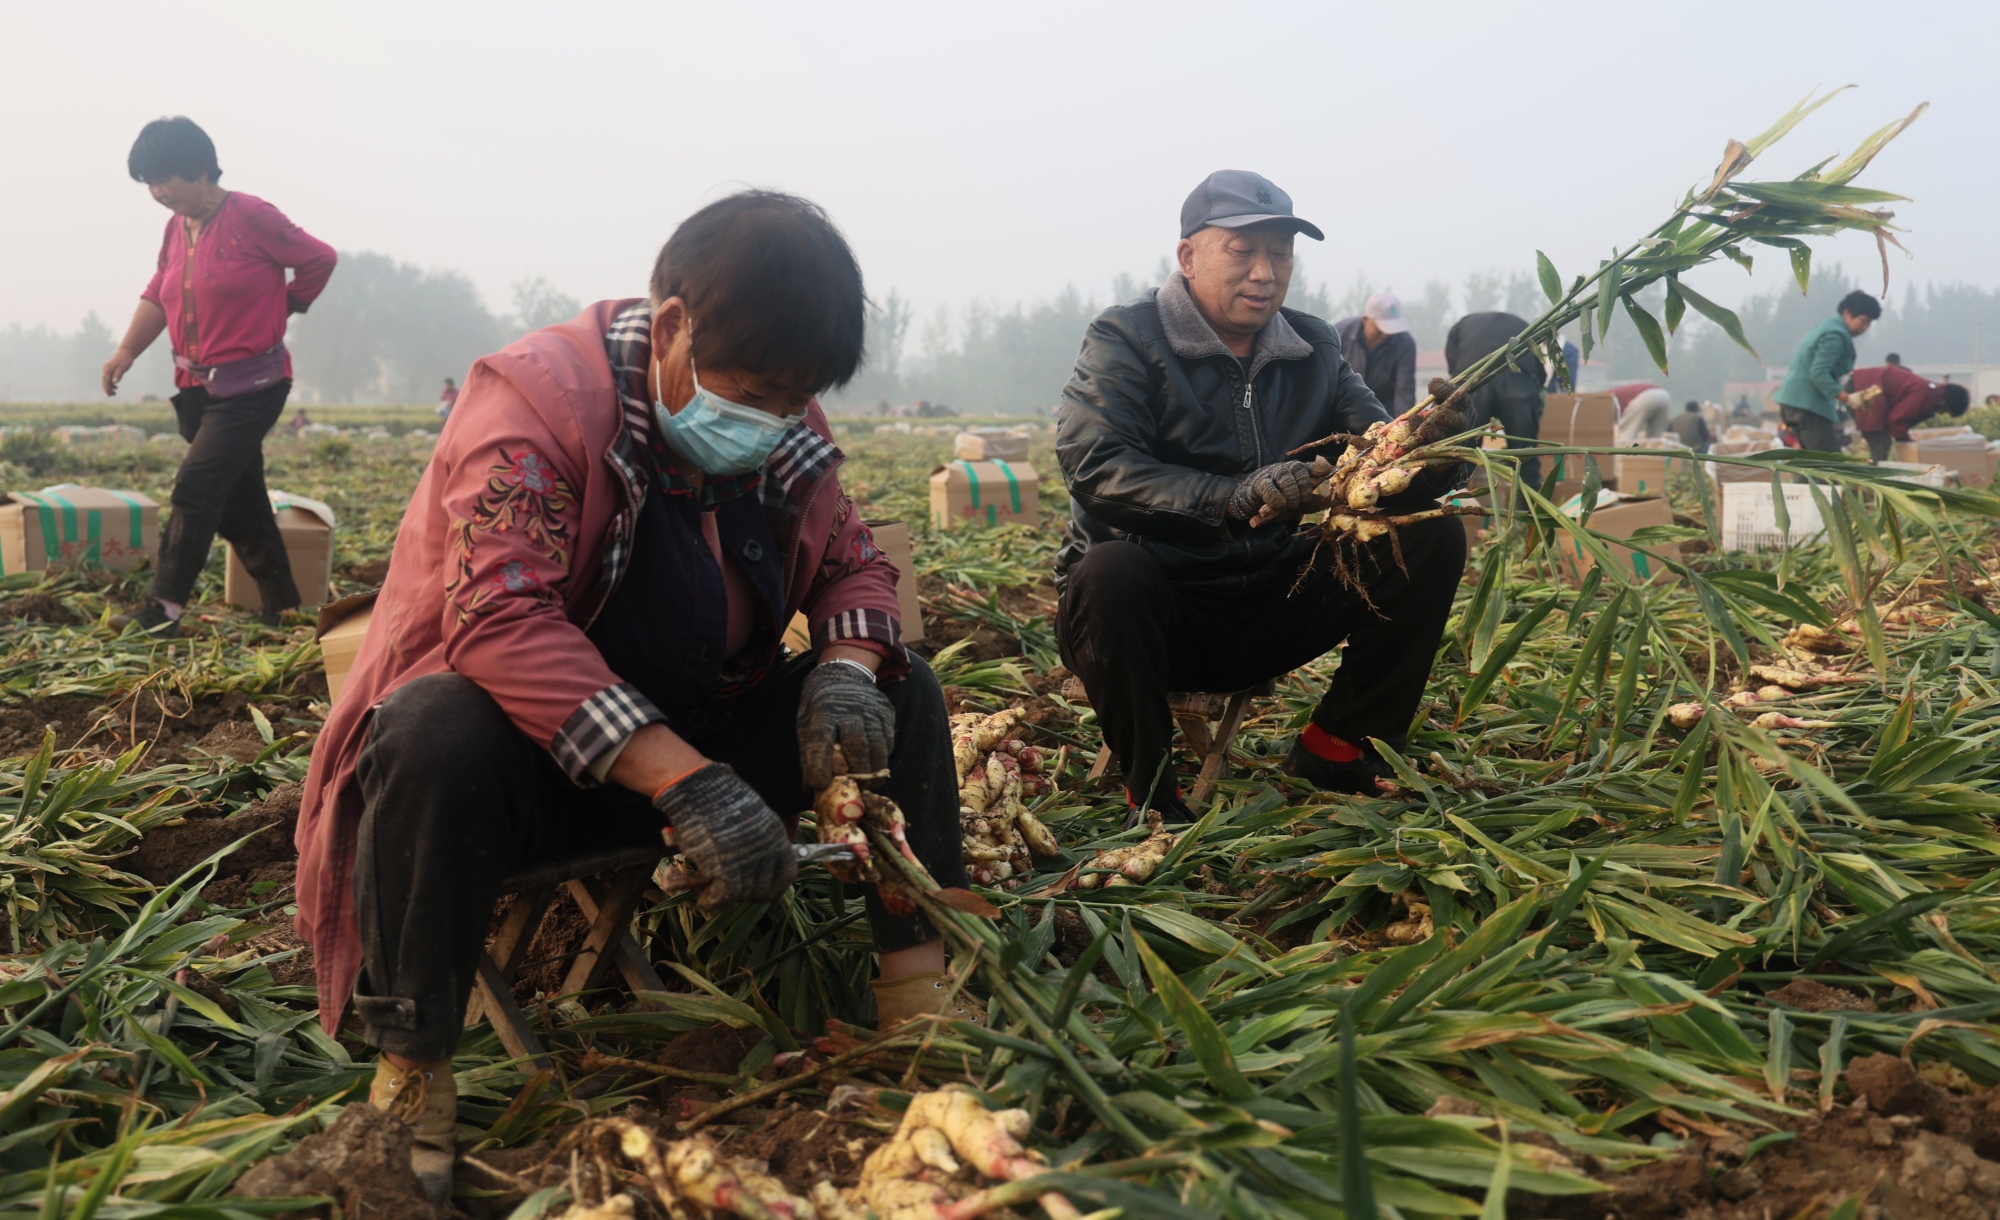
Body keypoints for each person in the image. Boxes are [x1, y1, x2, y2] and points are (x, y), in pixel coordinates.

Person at [294, 192, 973, 1196]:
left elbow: (858, 562)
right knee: (430, 729)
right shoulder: (532, 407)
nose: (774, 422)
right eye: (757, 391)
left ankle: (920, 1012)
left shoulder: (776, 418)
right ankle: (412, 1080)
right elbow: (500, 618)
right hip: (524, 765)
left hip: (694, 721)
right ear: (670, 329)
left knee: (903, 697)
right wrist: (685, 781)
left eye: (795, 401)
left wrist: (842, 668)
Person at [1055, 170, 1468, 823]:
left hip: (1271, 598)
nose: (1264, 272)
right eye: (1242, 250)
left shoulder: (1313, 345)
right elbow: (1095, 463)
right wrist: (1226, 496)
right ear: (1188, 255)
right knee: (1110, 572)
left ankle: (1335, 745)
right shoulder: (1127, 337)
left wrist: (1434, 450)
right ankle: (1153, 793)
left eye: (1279, 252)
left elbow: (1373, 455)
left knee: (1431, 533)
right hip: (1157, 612)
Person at [103, 117, 336, 632]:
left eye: (166, 179)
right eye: (150, 184)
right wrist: (126, 351)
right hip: (195, 388)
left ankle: (162, 610)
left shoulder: (251, 215)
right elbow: (157, 292)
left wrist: (290, 302)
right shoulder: (176, 228)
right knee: (240, 498)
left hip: (254, 385)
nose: (159, 192)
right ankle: (284, 603)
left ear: (200, 169)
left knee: (196, 486)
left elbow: (319, 258)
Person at [1445, 310, 1545, 493]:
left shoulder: (1462, 324)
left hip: (1474, 381)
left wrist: (1459, 388)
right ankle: (1529, 516)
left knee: (1462, 457)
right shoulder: (1525, 325)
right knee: (1524, 457)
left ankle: (1454, 509)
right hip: (1518, 379)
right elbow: (1539, 370)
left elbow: (1453, 363)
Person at [1774, 291, 1880, 453]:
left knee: (1813, 465)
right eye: (1863, 321)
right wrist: (1848, 398)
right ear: (1847, 313)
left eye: (1869, 324)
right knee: (1830, 467)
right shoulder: (1835, 335)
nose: (1865, 328)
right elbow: (1818, 373)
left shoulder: (1828, 326)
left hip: (1795, 403)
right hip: (1807, 405)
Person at [1848, 364, 1969, 461]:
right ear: (1946, 403)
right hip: (1865, 389)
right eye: (1946, 411)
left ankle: (1872, 478)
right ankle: (1872, 484)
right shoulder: (1926, 396)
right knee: (1881, 442)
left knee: (1881, 442)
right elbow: (1896, 419)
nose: (1941, 413)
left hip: (1865, 384)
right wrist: (1904, 439)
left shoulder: (1932, 392)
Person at [1333, 290, 1418, 416]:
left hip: (1383, 412)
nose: (1386, 334)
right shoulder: (1339, 333)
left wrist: (1404, 423)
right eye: (1381, 328)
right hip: (1341, 407)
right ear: (1366, 319)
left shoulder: (1405, 344)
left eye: (1391, 329)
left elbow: (1404, 392)